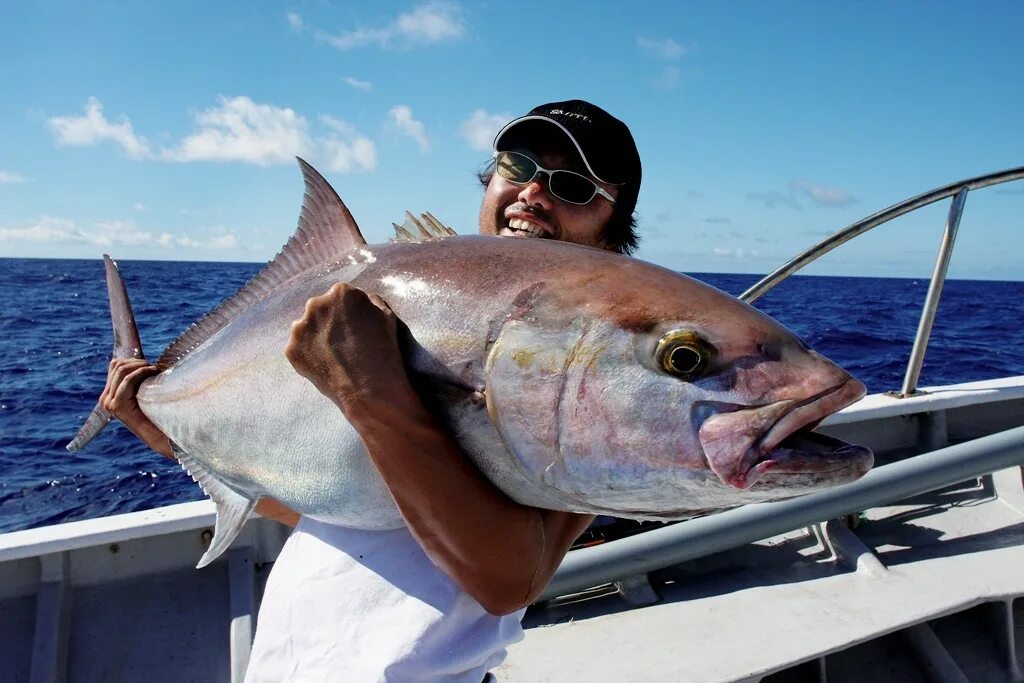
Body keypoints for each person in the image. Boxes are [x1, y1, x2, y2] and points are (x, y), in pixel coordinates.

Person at [101, 99, 642, 682]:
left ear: (612, 237)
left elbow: (508, 581)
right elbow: (335, 506)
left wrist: (367, 392)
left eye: (574, 187)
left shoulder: (583, 391)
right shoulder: (396, 302)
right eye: (519, 164)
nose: (535, 193)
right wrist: (164, 435)